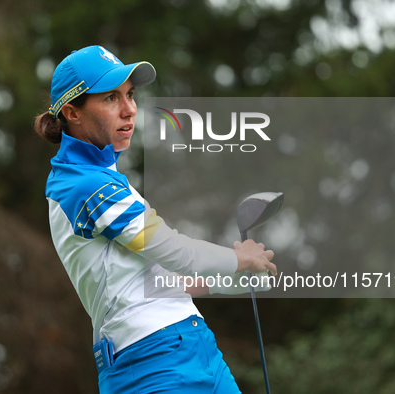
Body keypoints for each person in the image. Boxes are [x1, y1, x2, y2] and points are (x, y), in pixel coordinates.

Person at [34, 45, 276, 393]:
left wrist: (239, 278)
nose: (130, 109)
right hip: (149, 361)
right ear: (72, 112)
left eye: (130, 95)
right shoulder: (81, 185)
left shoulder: (107, 179)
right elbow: (176, 251)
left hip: (193, 344)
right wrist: (238, 259)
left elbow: (160, 280)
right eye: (111, 98)